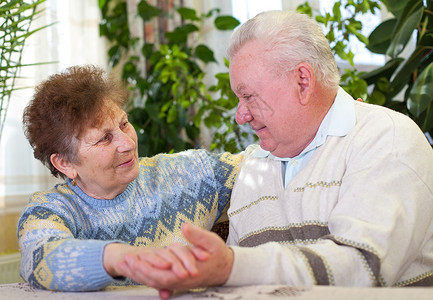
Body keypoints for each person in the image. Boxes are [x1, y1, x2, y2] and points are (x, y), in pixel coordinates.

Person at [116, 10, 433, 297]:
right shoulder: (255, 165)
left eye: (248, 96)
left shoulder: (386, 138)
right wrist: (197, 278)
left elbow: (362, 269)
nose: (241, 115)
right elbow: (241, 287)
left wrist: (231, 266)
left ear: (303, 81)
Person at [17, 65, 243, 292]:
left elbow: (259, 167)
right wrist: (122, 258)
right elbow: (40, 259)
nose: (129, 144)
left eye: (124, 124)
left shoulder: (186, 173)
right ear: (65, 163)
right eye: (105, 138)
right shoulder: (51, 209)